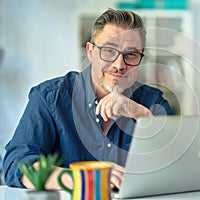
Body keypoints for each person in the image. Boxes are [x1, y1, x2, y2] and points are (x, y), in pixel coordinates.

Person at [3, 8, 173, 190]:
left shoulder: (153, 102)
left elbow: (178, 166)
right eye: (109, 51)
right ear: (91, 52)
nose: (119, 65)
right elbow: (17, 165)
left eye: (131, 54)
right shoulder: (49, 97)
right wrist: (87, 179)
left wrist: (143, 116)